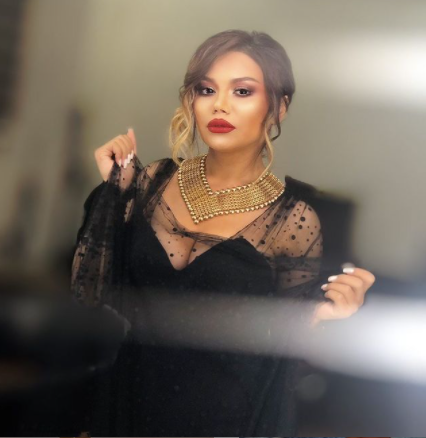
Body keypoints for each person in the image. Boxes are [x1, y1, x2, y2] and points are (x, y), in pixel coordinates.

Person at [71, 29, 375, 436]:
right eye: (206, 89)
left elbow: (286, 348)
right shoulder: (151, 181)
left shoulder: (292, 220)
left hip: (224, 419)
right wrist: (114, 193)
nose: (220, 105)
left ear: (279, 107)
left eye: (242, 91)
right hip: (127, 402)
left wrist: (329, 314)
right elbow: (90, 292)